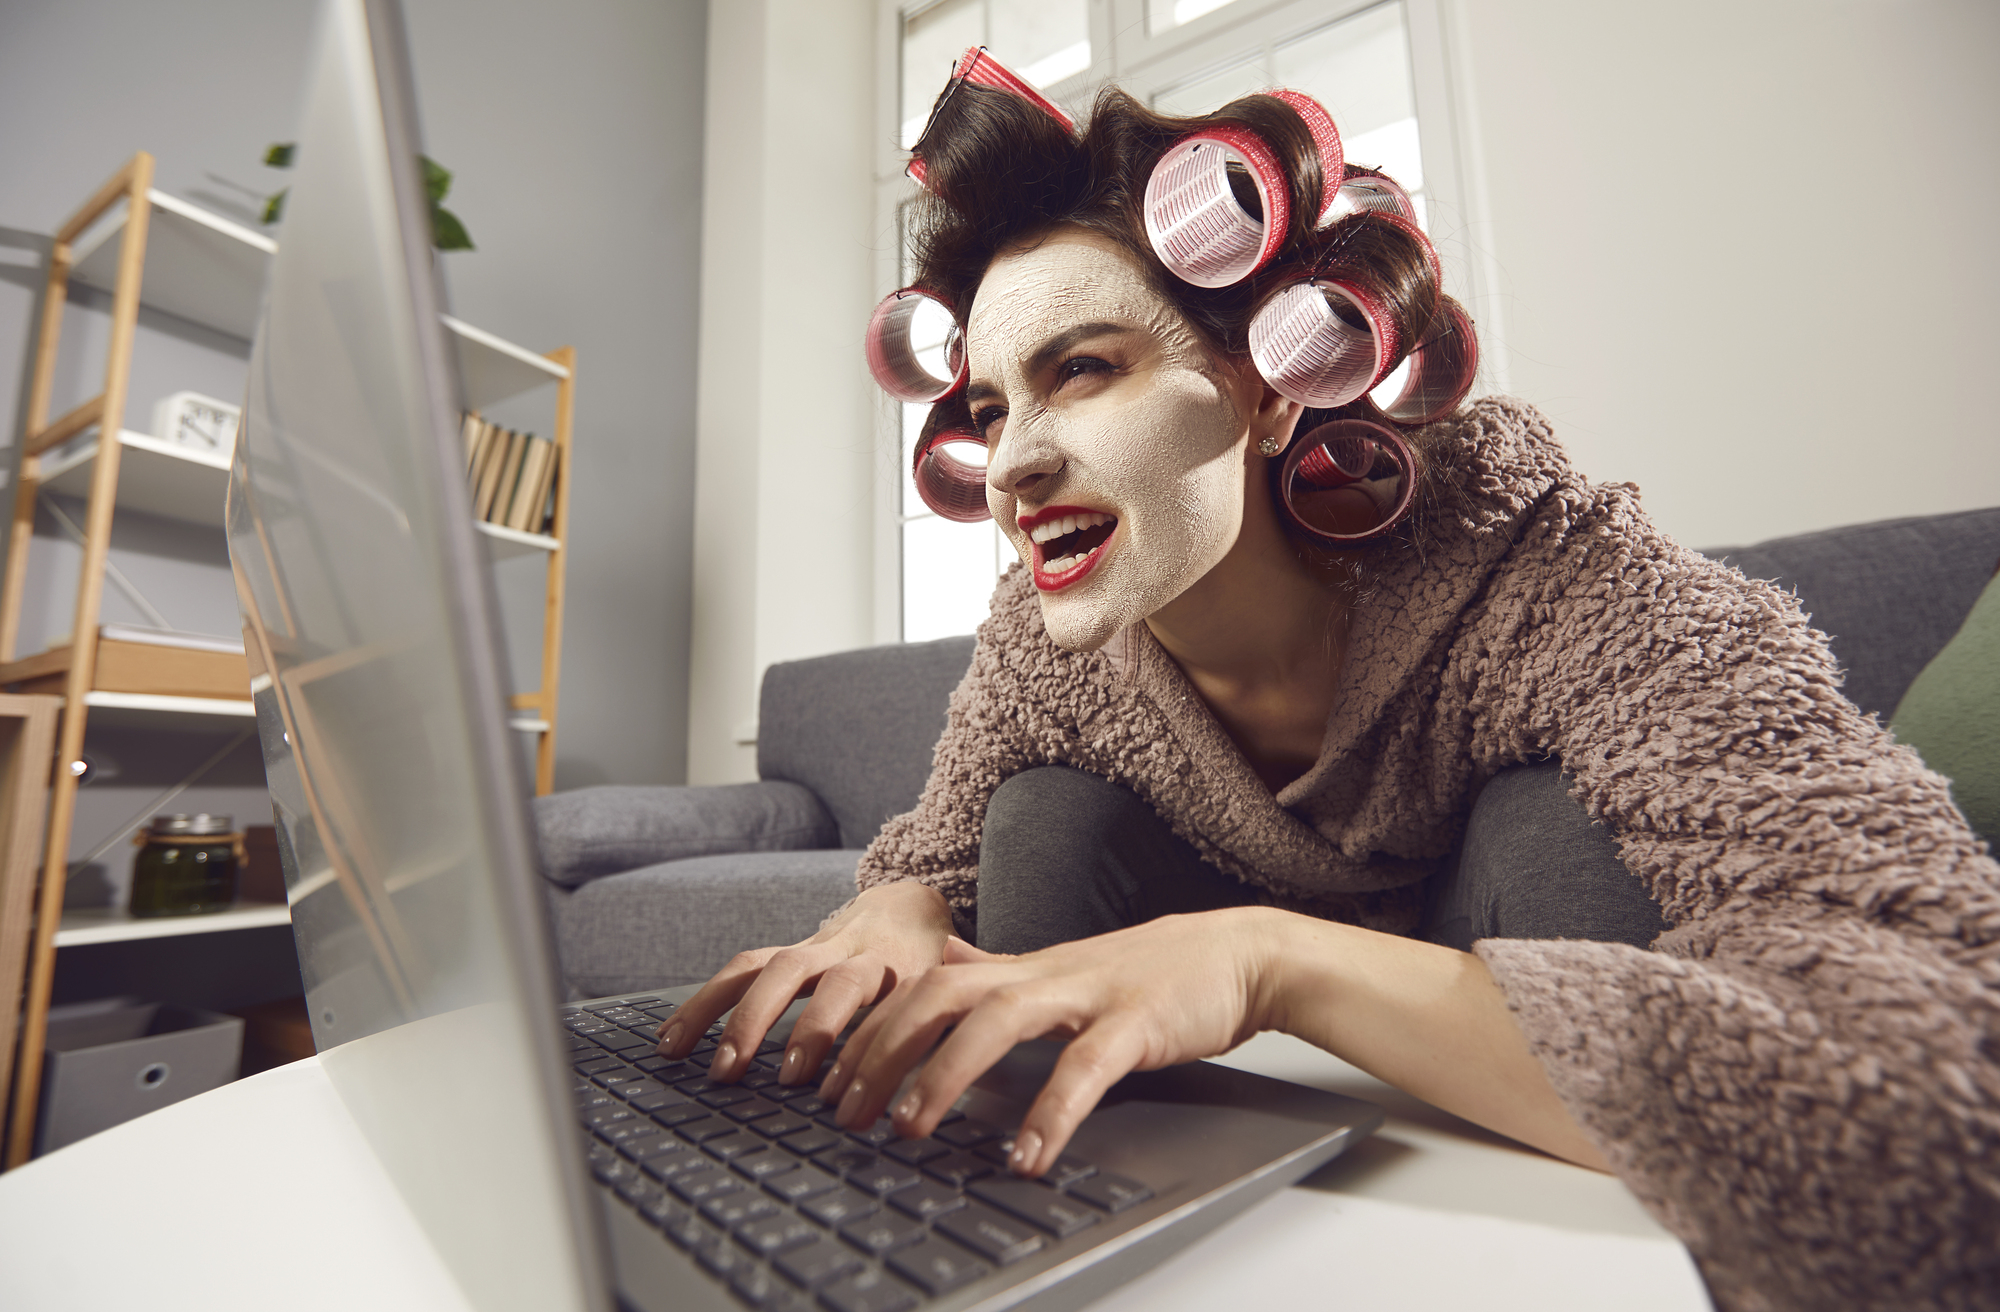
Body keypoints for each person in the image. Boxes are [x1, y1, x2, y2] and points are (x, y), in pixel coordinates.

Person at [659, 53, 2000, 1309]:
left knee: (1559, 828)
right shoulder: (1042, 634)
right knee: (1042, 827)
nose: (1011, 466)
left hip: (1509, 1029)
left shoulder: (1557, 569)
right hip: (1215, 1114)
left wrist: (1269, 961)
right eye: (997, 404)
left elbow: (1945, 1070)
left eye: (1083, 370)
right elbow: (940, 846)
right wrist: (896, 906)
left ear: (1265, 390)